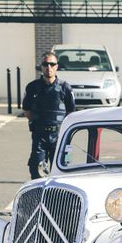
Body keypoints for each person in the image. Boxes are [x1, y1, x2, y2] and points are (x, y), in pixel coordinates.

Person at [22, 51, 76, 179]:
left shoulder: (65, 88)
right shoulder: (32, 87)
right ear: (40, 67)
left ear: (57, 66)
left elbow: (71, 113)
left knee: (62, 173)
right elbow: (27, 111)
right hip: (39, 137)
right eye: (45, 64)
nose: (49, 67)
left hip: (59, 137)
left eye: (52, 64)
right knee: (37, 171)